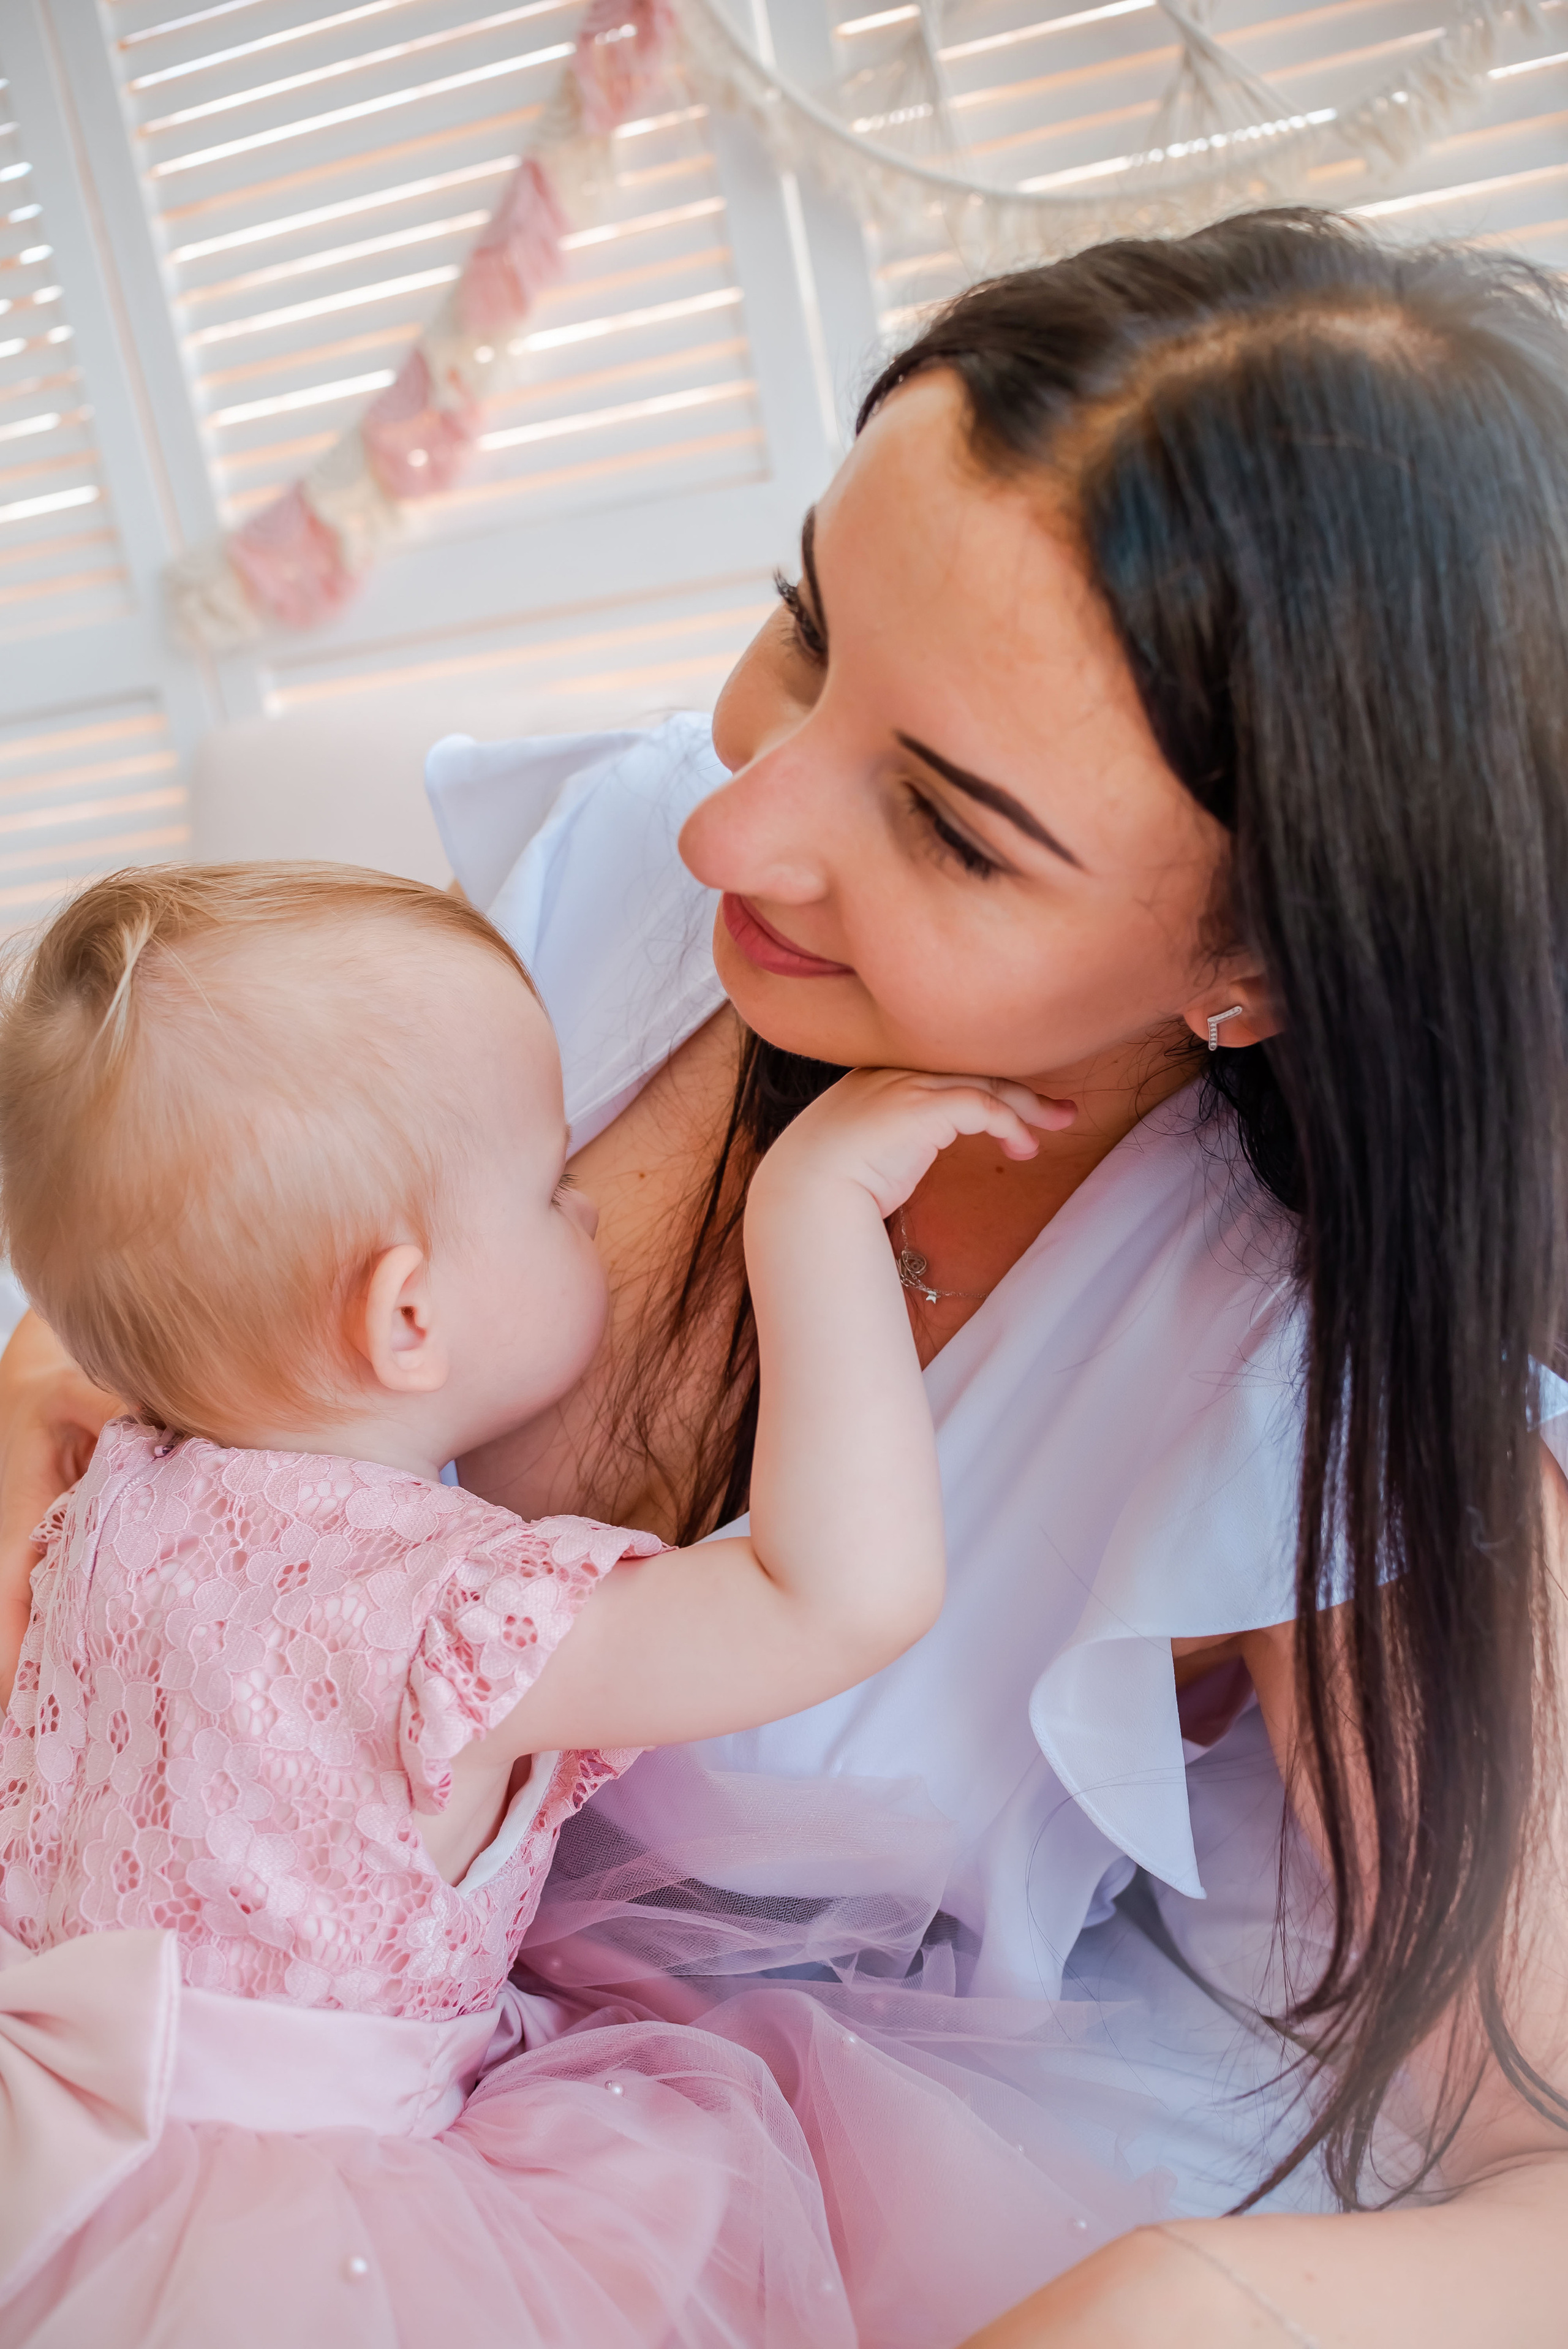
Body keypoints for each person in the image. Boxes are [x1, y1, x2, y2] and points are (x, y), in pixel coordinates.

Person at [3, 205, 1567, 2342]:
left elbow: (1546, 2165)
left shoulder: (1295, 1392)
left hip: (703, 2195)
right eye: (805, 629)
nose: (729, 825)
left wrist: (1165, 2302)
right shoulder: (576, 900)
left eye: (947, 821)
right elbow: (111, 1372)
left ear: (1250, 965)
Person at [0, 861, 1077, 2347]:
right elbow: (833, 1596)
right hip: (321, 2239)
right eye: (551, 1188)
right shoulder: (446, 1618)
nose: (589, 1205)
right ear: (409, 1318)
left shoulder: (100, 1504)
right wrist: (810, 1209)